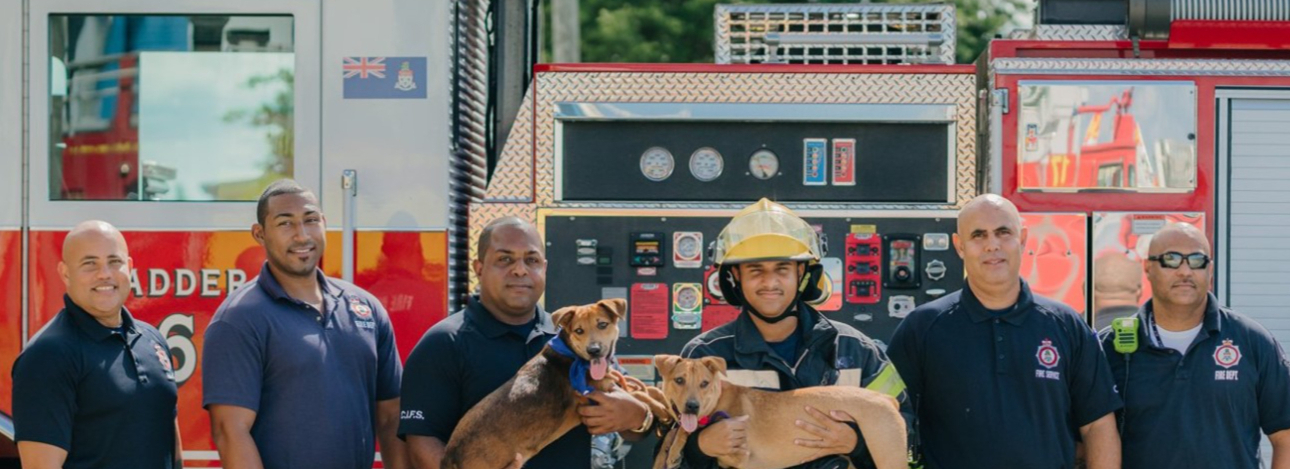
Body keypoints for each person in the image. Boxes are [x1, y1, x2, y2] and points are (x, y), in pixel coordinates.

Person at [888, 194, 1122, 469]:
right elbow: (888, 416)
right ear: (959, 246)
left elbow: (1097, 426)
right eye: (978, 235)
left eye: (1003, 233)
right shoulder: (923, 327)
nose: (992, 245)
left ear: (1022, 239)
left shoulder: (1066, 325)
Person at [398, 217, 652, 469]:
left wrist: (637, 417)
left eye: (531, 260)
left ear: (544, 267)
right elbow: (422, 440)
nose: (520, 270)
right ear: (478, 268)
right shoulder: (444, 343)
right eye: (505, 259)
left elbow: (635, 422)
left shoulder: (577, 336)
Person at [678, 198, 906, 469]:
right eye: (756, 270)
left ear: (801, 273)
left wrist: (854, 444)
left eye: (782, 269)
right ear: (735, 276)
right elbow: (671, 452)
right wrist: (701, 448)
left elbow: (908, 434)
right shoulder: (705, 355)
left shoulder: (854, 350)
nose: (770, 282)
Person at [202, 179, 408, 469]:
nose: (302, 235)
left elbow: (391, 416)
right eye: (285, 223)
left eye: (310, 220)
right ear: (259, 234)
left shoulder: (366, 308)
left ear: (324, 223)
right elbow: (230, 432)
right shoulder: (239, 320)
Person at [1099, 223, 1290, 469]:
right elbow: (1088, 436)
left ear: (1210, 270)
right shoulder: (1111, 347)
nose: (1185, 271)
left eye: (1197, 260)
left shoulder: (1252, 341)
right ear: (1148, 268)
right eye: (1171, 259)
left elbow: (1288, 436)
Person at [13, 221, 180, 469]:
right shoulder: (47, 355)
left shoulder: (151, 339)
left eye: (114, 261)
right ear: (65, 273)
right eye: (89, 263)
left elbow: (171, 444)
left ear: (130, 267)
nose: (105, 274)